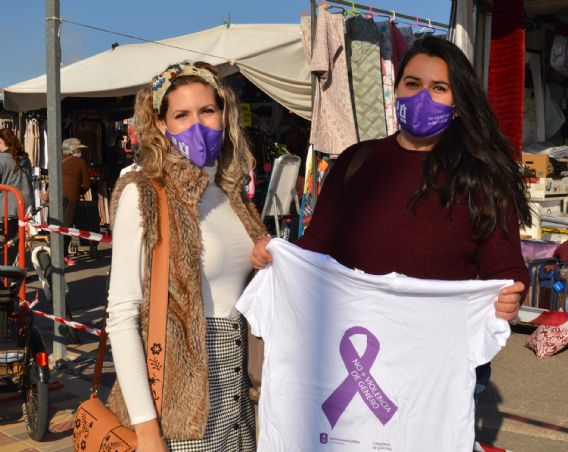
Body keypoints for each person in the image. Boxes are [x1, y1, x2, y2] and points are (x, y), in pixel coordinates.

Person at [251, 36, 532, 395]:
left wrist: (511, 295)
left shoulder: (483, 177)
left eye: (439, 88)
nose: (422, 97)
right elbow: (316, 245)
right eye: (412, 84)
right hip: (353, 357)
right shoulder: (355, 162)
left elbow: (505, 268)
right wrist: (275, 253)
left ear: (459, 103)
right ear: (396, 90)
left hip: (436, 367)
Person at [106, 61, 267, 451]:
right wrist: (147, 431)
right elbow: (122, 316)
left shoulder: (232, 195)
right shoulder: (144, 193)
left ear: (223, 114)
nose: (197, 124)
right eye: (182, 114)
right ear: (162, 125)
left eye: (207, 111)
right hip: (178, 417)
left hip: (239, 405)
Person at [0, 128, 35, 266]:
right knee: (14, 246)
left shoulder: (2, 160)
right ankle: (11, 277)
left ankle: (6, 277)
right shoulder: (24, 159)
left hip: (6, 209)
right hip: (24, 209)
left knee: (5, 246)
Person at [61, 137, 91, 266]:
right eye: (79, 149)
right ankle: (63, 256)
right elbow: (86, 184)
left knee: (56, 225)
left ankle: (56, 253)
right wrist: (79, 192)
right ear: (74, 150)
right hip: (71, 197)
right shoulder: (79, 162)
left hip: (55, 196)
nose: (80, 152)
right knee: (66, 226)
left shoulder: (57, 159)